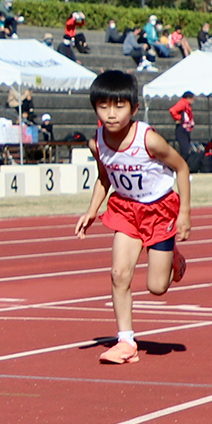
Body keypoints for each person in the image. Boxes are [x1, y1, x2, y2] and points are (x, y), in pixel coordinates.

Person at [74, 70, 192, 365]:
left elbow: (182, 169)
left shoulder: (149, 140)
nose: (111, 114)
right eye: (103, 106)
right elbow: (104, 178)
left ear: (134, 108)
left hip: (159, 209)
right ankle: (125, 340)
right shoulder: (97, 142)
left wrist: (185, 214)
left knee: (156, 287)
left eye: (119, 106)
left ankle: (174, 259)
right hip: (125, 210)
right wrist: (92, 210)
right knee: (119, 274)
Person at [168, 91, 197, 163]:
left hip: (186, 129)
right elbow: (172, 110)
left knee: (186, 150)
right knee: (185, 151)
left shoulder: (187, 105)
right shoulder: (183, 103)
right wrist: (179, 118)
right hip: (182, 129)